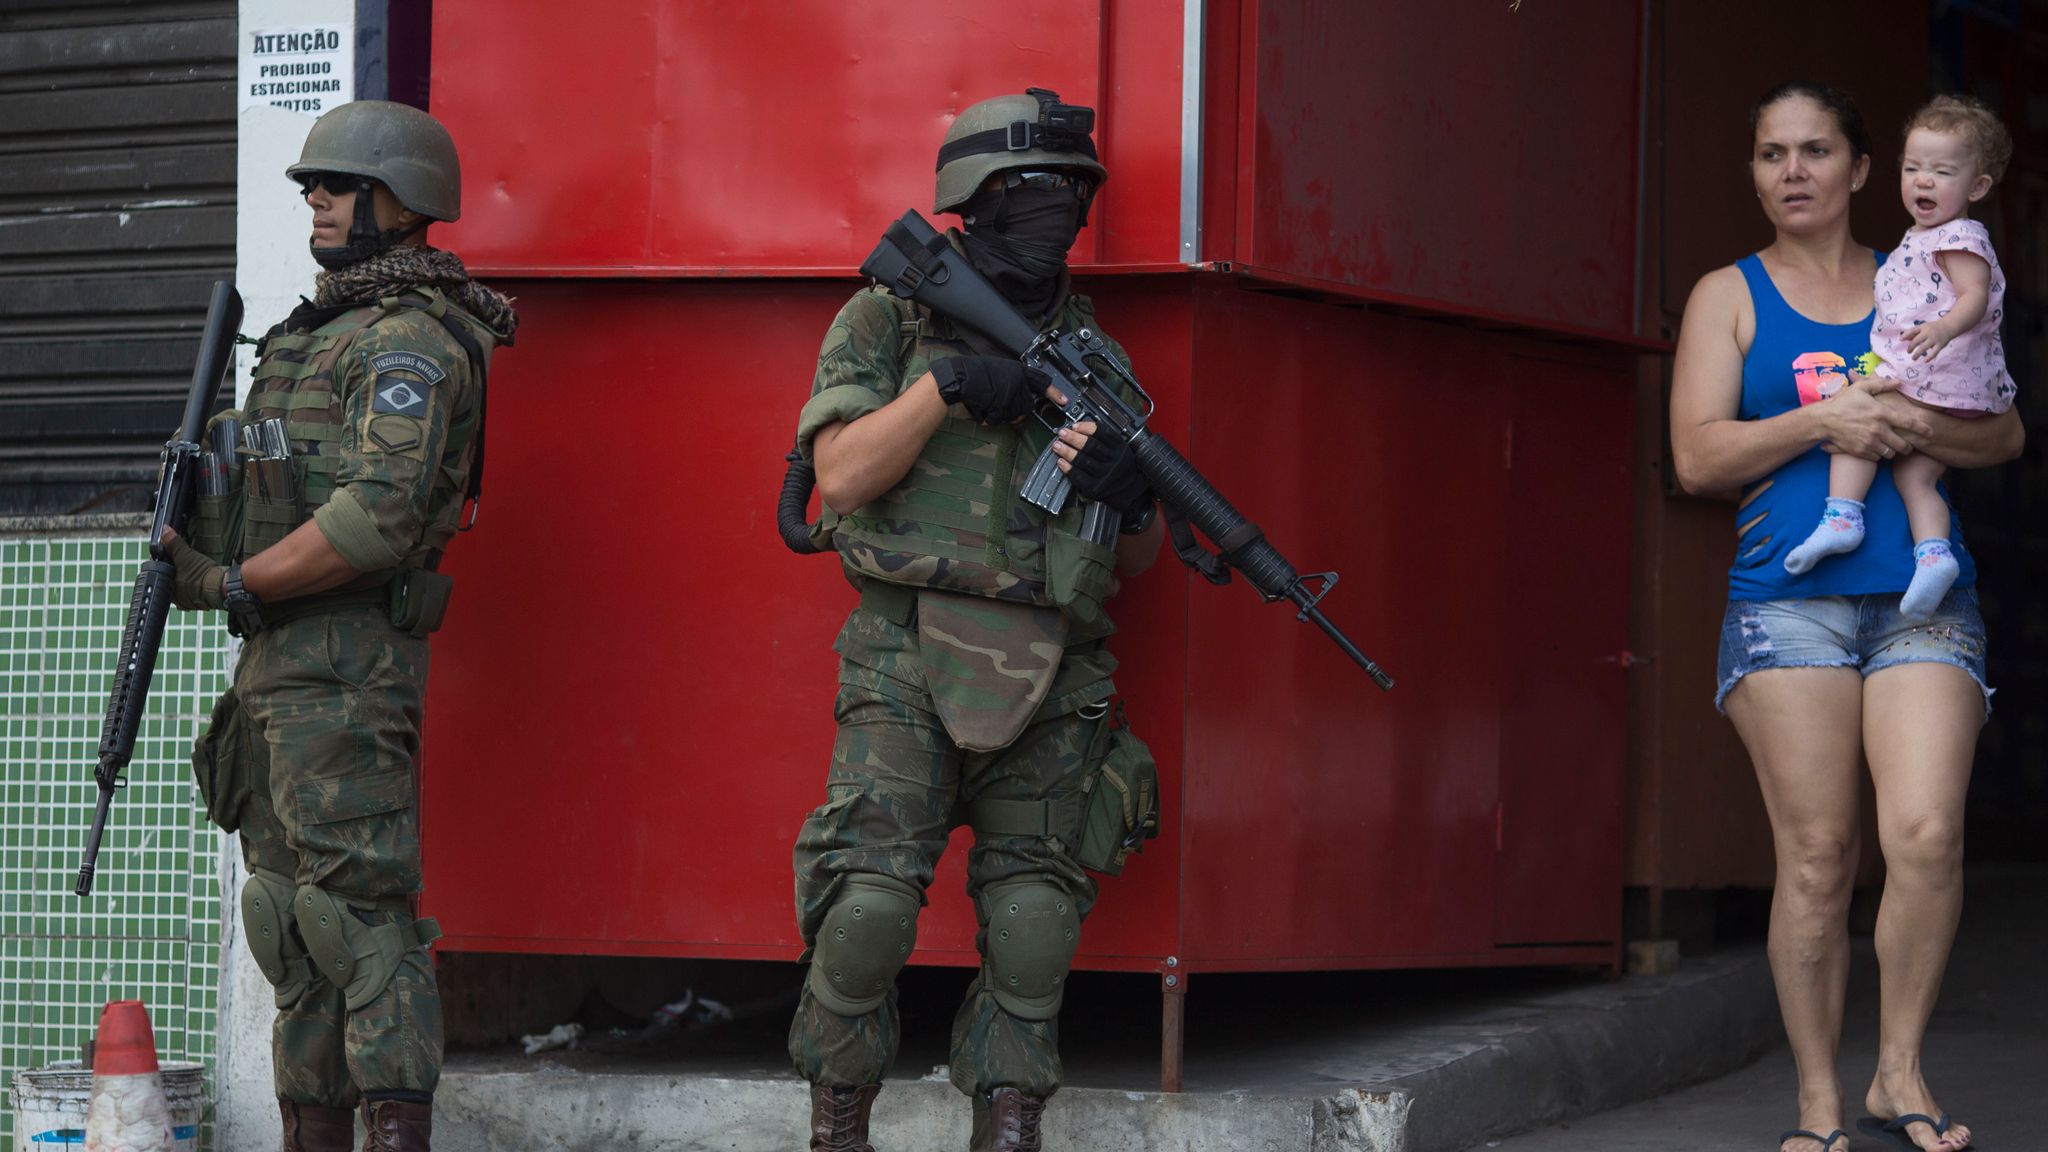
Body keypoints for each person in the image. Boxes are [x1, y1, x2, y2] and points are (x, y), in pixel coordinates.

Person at [785, 88, 1164, 1152]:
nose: (1060, 212)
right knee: (865, 914)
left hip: (1053, 668)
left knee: (1034, 925)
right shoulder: (886, 318)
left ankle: (1007, 1122)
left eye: (1074, 193)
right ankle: (837, 1120)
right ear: (975, 198)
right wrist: (947, 385)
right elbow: (839, 477)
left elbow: (1135, 559)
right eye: (1037, 191)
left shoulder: (1098, 358)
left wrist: (1130, 493)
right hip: (904, 654)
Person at [1669, 82, 2022, 1152]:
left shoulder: (1917, 275)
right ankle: (1819, 1100)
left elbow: (1999, 437)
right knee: (1818, 857)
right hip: (1788, 606)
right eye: (1770, 152)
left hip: (1921, 597)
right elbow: (1695, 457)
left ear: (1862, 170)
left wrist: (1904, 417)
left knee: (1923, 833)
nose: (1791, 171)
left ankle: (1897, 1073)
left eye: (1815, 150)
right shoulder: (1724, 296)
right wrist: (1823, 417)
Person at [162, 99, 518, 1152]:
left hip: (347, 660)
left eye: (335, 184)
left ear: (399, 203)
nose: (314, 199)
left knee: (358, 924)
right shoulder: (312, 334)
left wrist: (232, 584)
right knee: (287, 923)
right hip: (278, 664)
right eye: (311, 186)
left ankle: (397, 1131)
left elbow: (378, 517)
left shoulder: (411, 343)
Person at [1782, 94, 2015, 621]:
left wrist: (1944, 327)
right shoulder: (1922, 237)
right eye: (1913, 168)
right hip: (1922, 368)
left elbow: (1975, 297)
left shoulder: (1960, 237)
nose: (1923, 181)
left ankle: (1843, 516)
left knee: (1856, 416)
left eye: (1941, 171)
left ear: (1977, 188)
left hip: (1934, 372)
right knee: (1917, 478)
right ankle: (1934, 556)